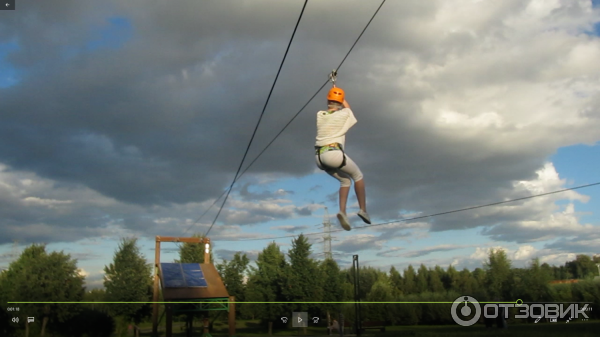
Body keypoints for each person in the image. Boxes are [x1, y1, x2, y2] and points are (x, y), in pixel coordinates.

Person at [315, 85, 370, 231]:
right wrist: (342, 99)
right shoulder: (343, 114)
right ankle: (363, 210)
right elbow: (348, 109)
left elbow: (336, 106)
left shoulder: (320, 115)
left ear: (328, 101)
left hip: (319, 157)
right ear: (340, 103)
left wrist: (333, 94)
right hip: (334, 153)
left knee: (345, 180)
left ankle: (343, 212)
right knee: (358, 175)